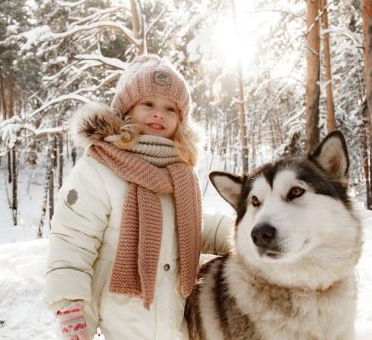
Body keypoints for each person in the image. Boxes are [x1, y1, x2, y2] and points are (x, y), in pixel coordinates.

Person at [44, 54, 232, 340]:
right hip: (119, 318)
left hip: (173, 319)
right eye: (148, 104)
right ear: (126, 108)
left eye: (170, 108)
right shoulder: (99, 167)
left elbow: (189, 228)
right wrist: (71, 308)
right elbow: (72, 243)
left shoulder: (179, 172)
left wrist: (240, 233)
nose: (159, 114)